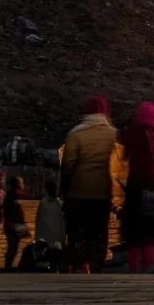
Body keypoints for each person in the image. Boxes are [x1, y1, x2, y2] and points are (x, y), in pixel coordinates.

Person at [60, 95, 117, 273]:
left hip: (78, 192)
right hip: (102, 192)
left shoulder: (76, 135)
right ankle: (96, 265)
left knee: (77, 231)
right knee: (99, 230)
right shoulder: (113, 135)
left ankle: (79, 265)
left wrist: (64, 191)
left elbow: (68, 165)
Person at [120, 101, 154, 273]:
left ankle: (133, 268)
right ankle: (147, 268)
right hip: (153, 187)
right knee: (150, 229)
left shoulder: (132, 133)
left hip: (135, 187)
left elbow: (125, 156)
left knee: (134, 231)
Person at [35, 180, 65, 265]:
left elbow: (38, 219)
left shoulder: (44, 203)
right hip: (55, 236)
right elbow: (61, 220)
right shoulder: (58, 203)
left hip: (45, 235)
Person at [3, 175, 28, 270]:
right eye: (21, 183)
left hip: (10, 225)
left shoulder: (10, 194)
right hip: (13, 225)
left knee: (12, 248)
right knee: (13, 248)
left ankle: (7, 266)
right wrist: (22, 224)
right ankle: (7, 267)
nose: (23, 184)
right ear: (17, 184)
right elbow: (17, 211)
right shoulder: (15, 194)